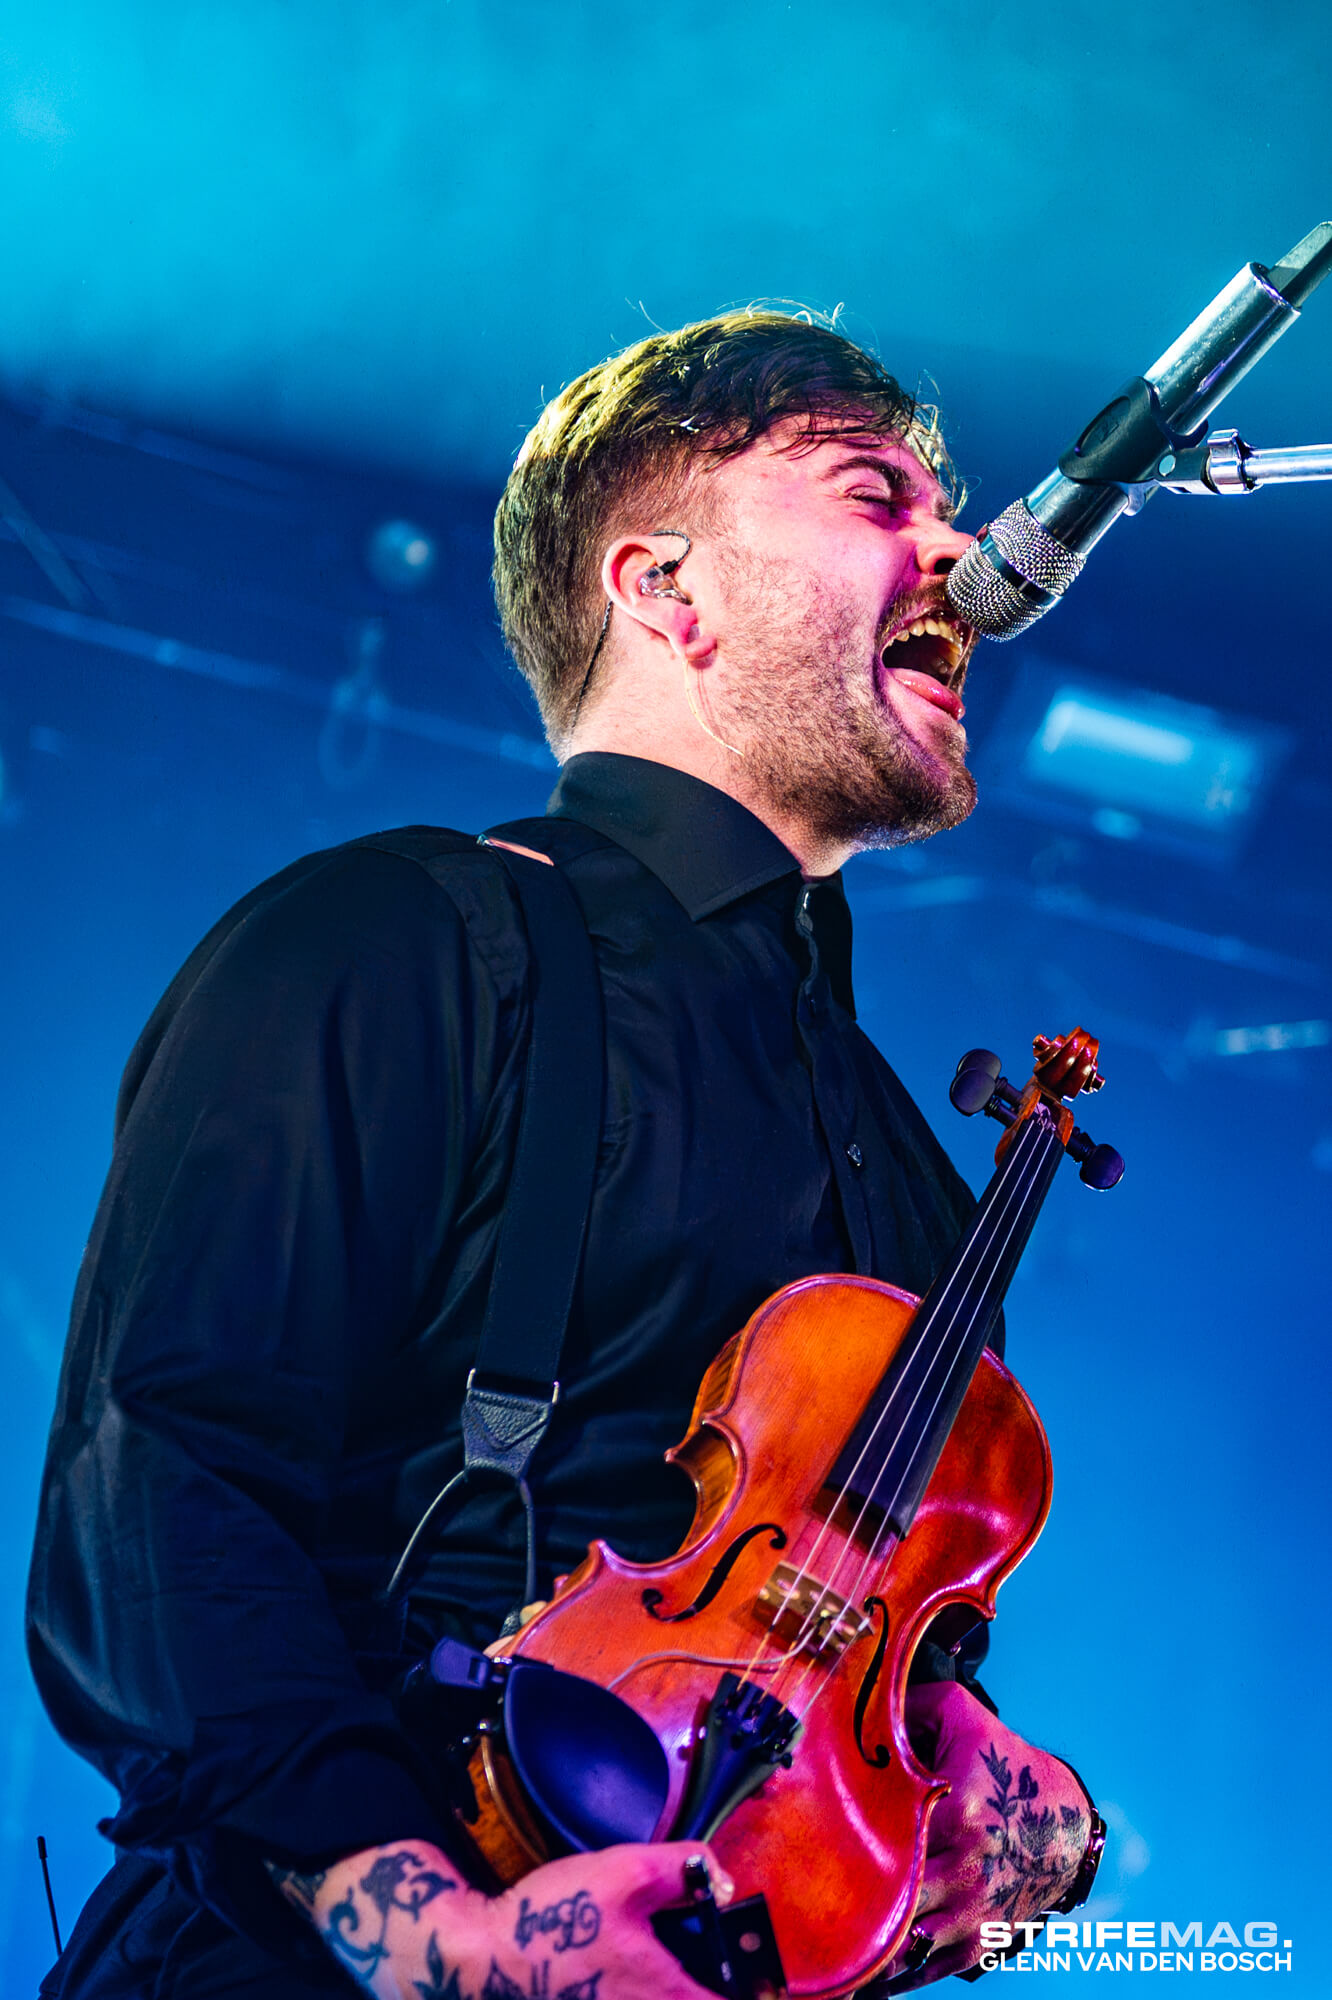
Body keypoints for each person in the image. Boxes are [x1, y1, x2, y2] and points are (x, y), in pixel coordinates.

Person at [27, 310, 1101, 2000]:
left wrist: (989, 1802)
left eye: (941, 502)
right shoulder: (400, 938)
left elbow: (864, 1674)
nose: (959, 549)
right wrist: (439, 1932)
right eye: (872, 491)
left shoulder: (909, 1156)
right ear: (662, 587)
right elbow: (158, 1480)